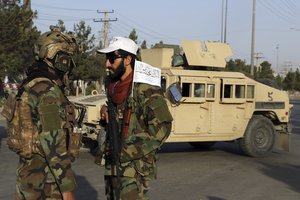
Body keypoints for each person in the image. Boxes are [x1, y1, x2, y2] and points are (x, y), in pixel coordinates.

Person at [1, 26, 81, 200]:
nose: (70, 63)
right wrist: (67, 189)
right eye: (68, 57)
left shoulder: (30, 83)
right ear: (57, 56)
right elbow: (52, 142)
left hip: (28, 176)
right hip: (48, 182)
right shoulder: (47, 91)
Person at [97, 37, 173, 200]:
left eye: (111, 59)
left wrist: (127, 150)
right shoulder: (114, 85)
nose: (107, 64)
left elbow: (163, 127)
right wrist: (105, 111)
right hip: (114, 162)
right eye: (106, 59)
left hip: (134, 166)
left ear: (128, 59)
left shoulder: (145, 89)